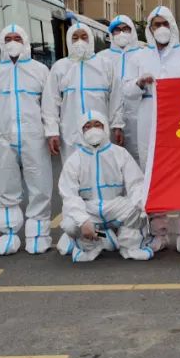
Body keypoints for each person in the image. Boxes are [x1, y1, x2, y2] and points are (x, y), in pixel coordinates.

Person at [123, 5, 180, 253]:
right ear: (149, 29)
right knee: (152, 175)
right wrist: (139, 83)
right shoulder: (139, 57)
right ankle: (158, 232)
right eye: (156, 25)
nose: (161, 29)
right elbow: (126, 91)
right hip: (149, 119)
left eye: (164, 24)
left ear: (172, 26)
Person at [0, 23, 54, 255]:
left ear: (25, 42)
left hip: (33, 135)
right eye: (8, 38)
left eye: (17, 38)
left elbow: (48, 105)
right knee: (6, 183)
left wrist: (50, 132)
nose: (12, 43)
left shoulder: (40, 70)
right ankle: (8, 233)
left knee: (39, 183)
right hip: (3, 136)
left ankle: (38, 233)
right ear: (2, 43)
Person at [56, 109, 153, 262]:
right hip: (89, 209)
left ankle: (130, 246)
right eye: (87, 126)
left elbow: (136, 184)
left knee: (138, 209)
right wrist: (83, 220)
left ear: (105, 127)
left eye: (97, 125)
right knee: (70, 224)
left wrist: (141, 204)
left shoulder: (120, 153)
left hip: (115, 205)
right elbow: (69, 195)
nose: (93, 129)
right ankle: (98, 240)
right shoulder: (74, 160)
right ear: (81, 130)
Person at [43, 21, 123, 163]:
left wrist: (117, 125)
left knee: (102, 168)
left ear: (90, 39)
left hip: (101, 130)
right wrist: (52, 131)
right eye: (75, 38)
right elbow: (50, 102)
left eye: (84, 37)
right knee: (73, 170)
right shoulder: (60, 67)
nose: (80, 41)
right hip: (71, 132)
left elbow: (116, 98)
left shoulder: (105, 65)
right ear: (69, 40)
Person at [96, 14, 144, 160]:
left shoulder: (143, 55)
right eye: (117, 30)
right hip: (109, 116)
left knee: (139, 155)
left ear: (132, 31)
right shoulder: (101, 58)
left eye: (125, 29)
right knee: (111, 157)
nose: (121, 33)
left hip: (138, 115)